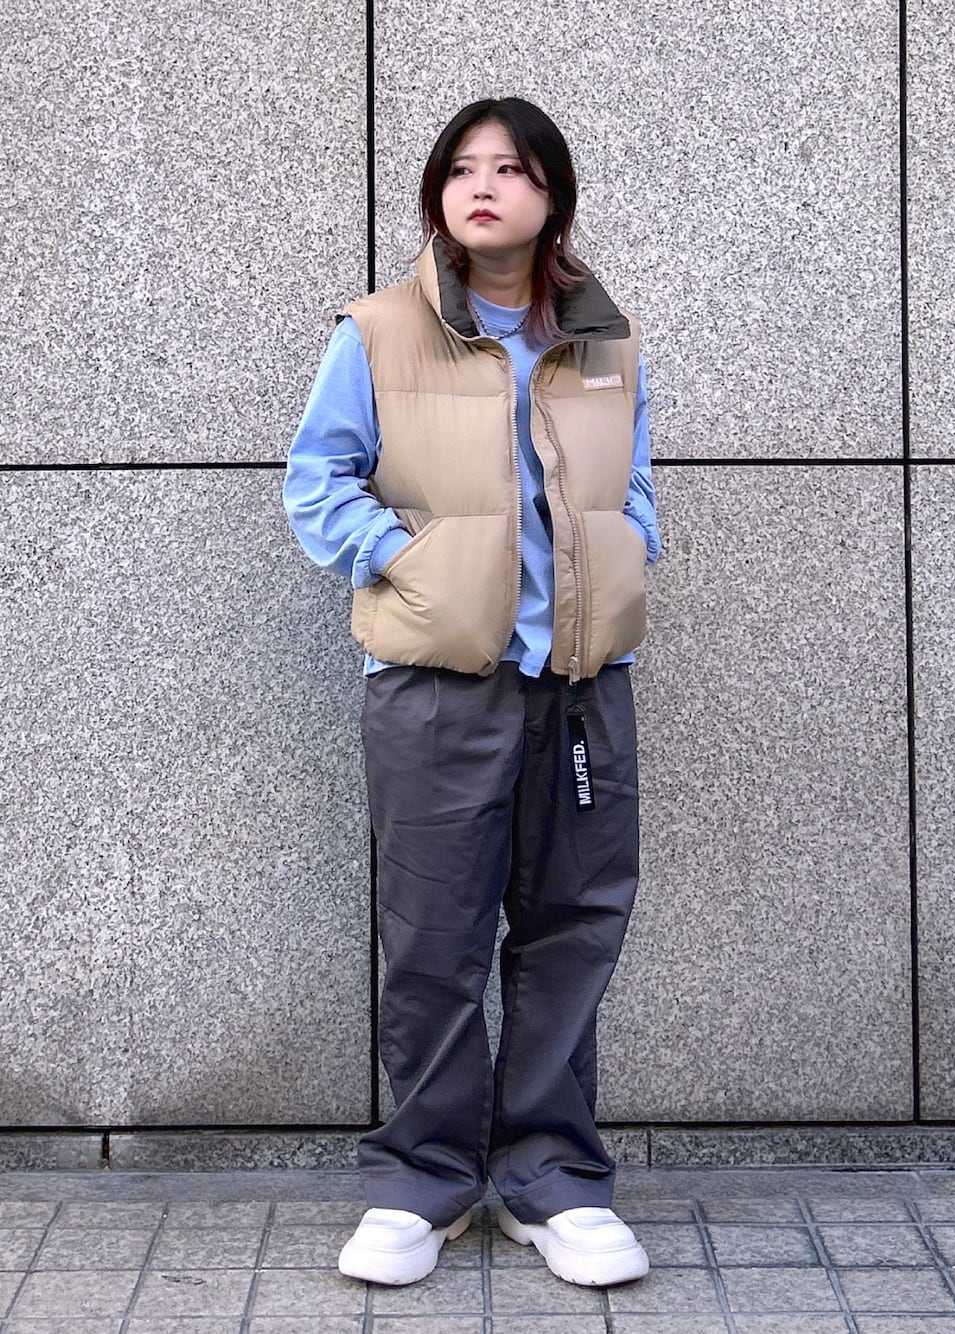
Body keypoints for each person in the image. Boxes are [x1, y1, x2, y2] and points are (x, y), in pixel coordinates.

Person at [283, 96, 661, 1288]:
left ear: (553, 194)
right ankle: (421, 1180)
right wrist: (410, 561)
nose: (482, 186)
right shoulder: (379, 332)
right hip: (436, 685)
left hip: (580, 685)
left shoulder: (603, 342)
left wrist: (627, 552)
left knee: (570, 928)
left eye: (510, 167)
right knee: (434, 937)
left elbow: (632, 489)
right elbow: (316, 483)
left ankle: (555, 1179)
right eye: (460, 168)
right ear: (437, 195)